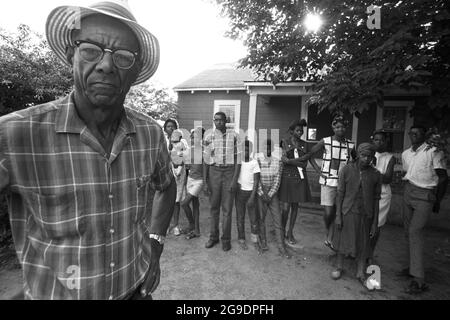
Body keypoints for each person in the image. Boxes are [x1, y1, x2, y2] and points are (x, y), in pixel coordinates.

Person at [0, 1, 176, 300]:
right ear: (71, 55)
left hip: (134, 292)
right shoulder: (15, 135)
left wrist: (156, 243)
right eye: (91, 50)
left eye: (122, 57)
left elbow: (167, 185)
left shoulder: (150, 133)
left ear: (134, 72)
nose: (106, 65)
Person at [400, 125, 448, 294]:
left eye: (418, 132)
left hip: (424, 195)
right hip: (408, 191)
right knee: (408, 231)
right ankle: (412, 268)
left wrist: (437, 200)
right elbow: (408, 173)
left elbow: (443, 177)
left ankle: (419, 280)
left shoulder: (433, 151)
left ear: (424, 134)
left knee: (415, 232)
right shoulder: (406, 153)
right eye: (411, 132)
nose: (414, 134)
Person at [300, 115, 355, 251]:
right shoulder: (325, 141)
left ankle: (332, 238)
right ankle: (328, 230)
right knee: (329, 212)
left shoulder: (351, 145)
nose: (340, 129)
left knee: (340, 212)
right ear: (333, 128)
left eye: (342, 126)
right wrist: (319, 171)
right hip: (328, 181)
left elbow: (355, 161)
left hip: (344, 183)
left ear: (346, 128)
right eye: (337, 127)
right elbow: (310, 155)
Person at [331, 143, 381, 289]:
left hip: (366, 214)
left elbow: (377, 199)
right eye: (364, 155)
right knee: (343, 240)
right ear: (358, 154)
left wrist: (374, 222)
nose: (366, 159)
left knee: (363, 243)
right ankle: (339, 267)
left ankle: (360, 273)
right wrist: (338, 215)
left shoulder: (375, 174)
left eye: (370, 157)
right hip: (348, 211)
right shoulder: (346, 170)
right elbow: (340, 194)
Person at [203, 111, 242, 251]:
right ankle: (213, 237)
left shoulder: (235, 136)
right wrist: (205, 181)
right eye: (216, 120)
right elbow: (206, 161)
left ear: (226, 121)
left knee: (227, 209)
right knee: (214, 208)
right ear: (214, 121)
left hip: (229, 172)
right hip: (214, 172)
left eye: (221, 120)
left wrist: (234, 180)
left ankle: (226, 239)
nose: (218, 122)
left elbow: (238, 160)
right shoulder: (209, 137)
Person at [255, 139, 291, 258]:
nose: (267, 150)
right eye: (265, 147)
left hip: (273, 193)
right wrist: (261, 193)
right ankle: (263, 243)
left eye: (269, 147)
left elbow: (277, 180)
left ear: (272, 149)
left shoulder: (278, 162)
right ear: (262, 149)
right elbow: (256, 179)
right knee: (261, 218)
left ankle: (281, 247)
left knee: (278, 220)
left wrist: (270, 195)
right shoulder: (258, 161)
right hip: (261, 193)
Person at [279, 119, 312, 245]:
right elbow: (283, 159)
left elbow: (304, 164)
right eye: (298, 130)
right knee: (286, 207)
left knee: (295, 207)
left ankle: (290, 232)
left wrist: (291, 161)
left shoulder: (305, 144)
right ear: (292, 131)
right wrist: (299, 159)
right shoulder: (285, 142)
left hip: (300, 177)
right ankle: (281, 231)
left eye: (301, 131)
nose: (300, 133)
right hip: (287, 177)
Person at [369, 130, 395, 263]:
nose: (379, 142)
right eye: (376, 139)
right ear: (372, 141)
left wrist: (372, 170)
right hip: (367, 192)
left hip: (382, 194)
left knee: (376, 224)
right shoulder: (367, 154)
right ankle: (360, 250)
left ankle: (370, 253)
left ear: (386, 142)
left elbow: (388, 178)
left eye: (382, 140)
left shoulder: (390, 157)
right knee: (364, 222)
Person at [235, 140, 261, 251]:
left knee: (253, 219)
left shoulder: (254, 163)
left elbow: (256, 181)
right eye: (243, 149)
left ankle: (255, 240)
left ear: (250, 151)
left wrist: (252, 197)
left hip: (251, 194)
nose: (245, 151)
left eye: (247, 149)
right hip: (240, 194)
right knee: (240, 218)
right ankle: (241, 239)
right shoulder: (238, 163)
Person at [182, 127, 206, 240]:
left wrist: (205, 183)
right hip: (190, 179)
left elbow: (206, 168)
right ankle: (196, 230)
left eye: (195, 136)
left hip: (199, 181)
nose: (192, 137)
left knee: (184, 203)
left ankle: (191, 224)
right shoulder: (189, 151)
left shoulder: (204, 150)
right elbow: (187, 166)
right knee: (195, 204)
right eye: (191, 136)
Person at [169, 130, 189, 236]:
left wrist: (179, 168)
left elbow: (183, 157)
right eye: (168, 127)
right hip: (168, 172)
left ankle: (176, 225)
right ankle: (168, 224)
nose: (170, 129)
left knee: (177, 199)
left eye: (172, 127)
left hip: (179, 173)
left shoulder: (182, 143)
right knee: (167, 201)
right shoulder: (165, 141)